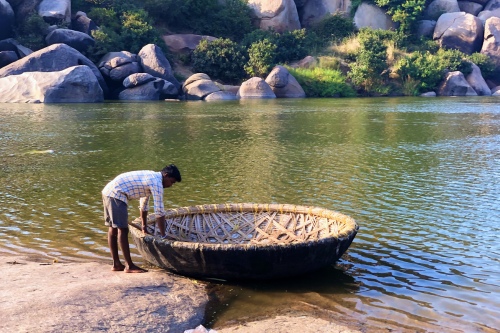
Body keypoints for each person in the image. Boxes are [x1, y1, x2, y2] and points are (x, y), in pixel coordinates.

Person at [102, 164, 182, 273]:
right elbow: (159, 211)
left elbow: (144, 205)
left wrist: (144, 226)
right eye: (171, 182)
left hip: (108, 192)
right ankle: (129, 266)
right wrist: (163, 236)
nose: (171, 185)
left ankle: (117, 264)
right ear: (166, 175)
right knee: (122, 229)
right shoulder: (157, 183)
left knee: (113, 229)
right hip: (116, 194)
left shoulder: (152, 177)